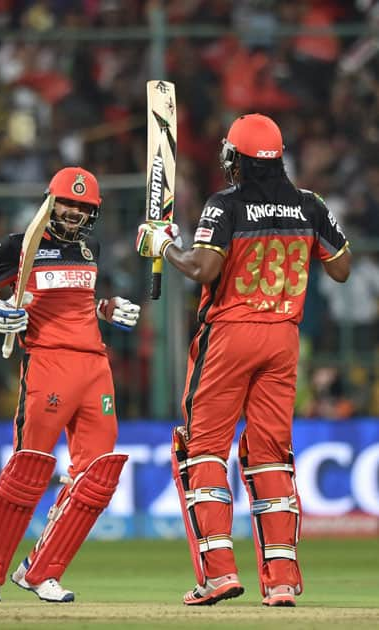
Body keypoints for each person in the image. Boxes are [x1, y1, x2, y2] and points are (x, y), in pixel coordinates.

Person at [136, 113, 351, 607]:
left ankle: (219, 575)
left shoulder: (225, 204)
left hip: (231, 334)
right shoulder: (310, 205)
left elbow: (202, 267)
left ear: (237, 159)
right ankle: (281, 582)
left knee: (202, 451)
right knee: (271, 455)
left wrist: (164, 243)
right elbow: (341, 268)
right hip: (283, 338)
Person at [0, 166, 140, 602]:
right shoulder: (17, 246)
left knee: (97, 476)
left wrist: (106, 308)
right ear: (50, 202)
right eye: (66, 203)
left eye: (82, 207)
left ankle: (41, 570)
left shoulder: (90, 248)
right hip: (46, 364)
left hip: (95, 366)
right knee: (28, 469)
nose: (73, 213)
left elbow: (75, 301)